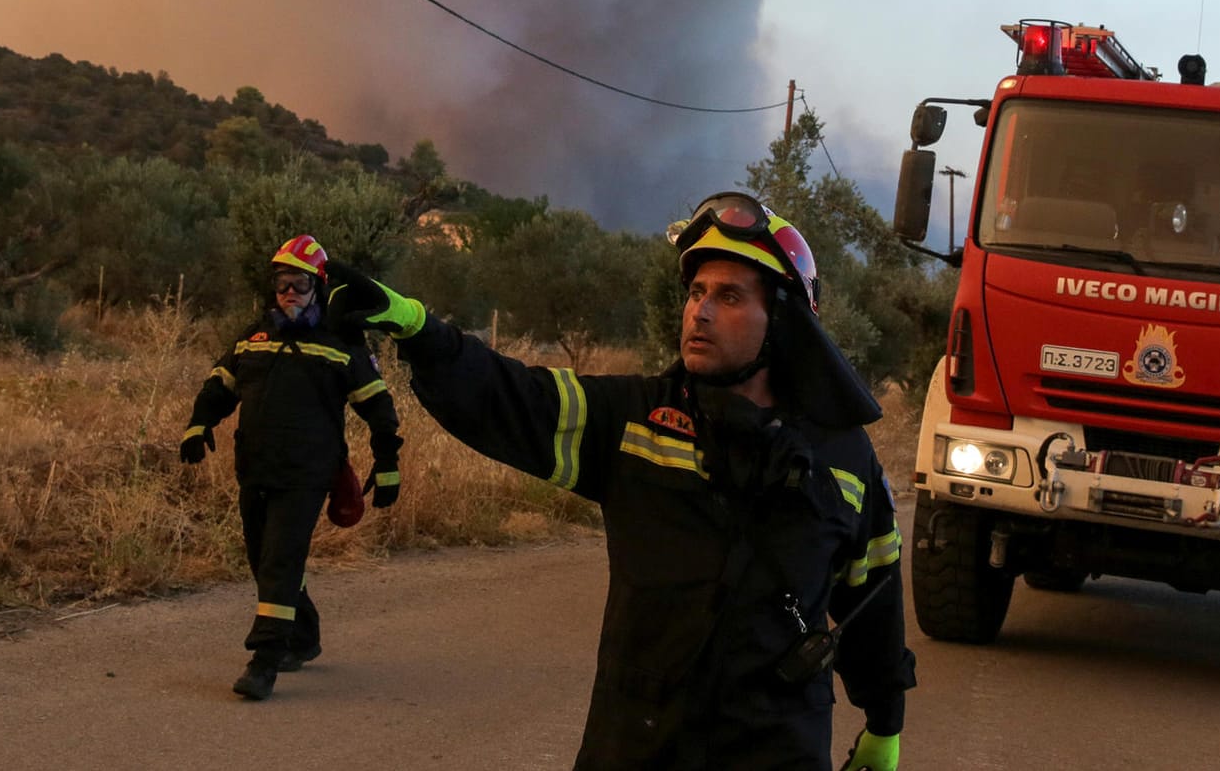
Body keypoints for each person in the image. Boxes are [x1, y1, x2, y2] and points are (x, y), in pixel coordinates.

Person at [329, 193, 915, 771]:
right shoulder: (635, 418)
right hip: (638, 741)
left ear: (784, 322)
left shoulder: (844, 458)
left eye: (729, 296)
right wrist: (416, 328)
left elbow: (873, 599)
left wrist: (884, 723)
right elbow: (511, 396)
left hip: (776, 746)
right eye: (696, 292)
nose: (700, 312)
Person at [179, 234, 404, 700]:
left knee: (281, 560)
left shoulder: (342, 345)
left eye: (299, 284)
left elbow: (379, 409)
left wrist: (387, 465)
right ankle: (304, 637)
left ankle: (265, 661)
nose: (289, 293)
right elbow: (219, 385)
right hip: (255, 470)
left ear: (317, 288)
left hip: (307, 475)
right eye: (282, 282)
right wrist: (199, 425)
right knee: (264, 560)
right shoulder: (253, 337)